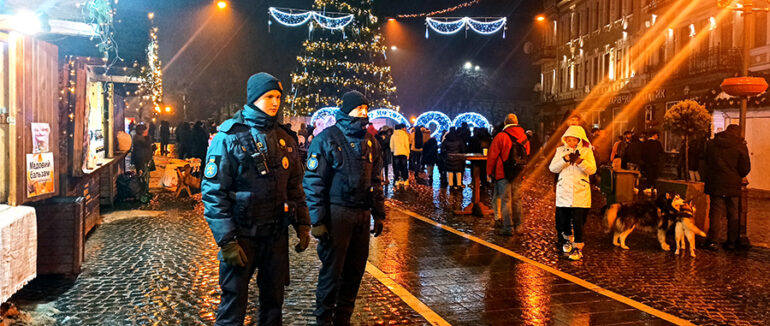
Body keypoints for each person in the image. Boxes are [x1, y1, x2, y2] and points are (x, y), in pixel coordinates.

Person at [201, 73, 311, 325]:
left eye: (278, 97)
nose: (275, 102)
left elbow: (295, 187)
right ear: (253, 98)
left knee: (273, 306)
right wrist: (227, 240)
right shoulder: (228, 137)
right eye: (268, 97)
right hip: (242, 237)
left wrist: (303, 224)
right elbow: (213, 192)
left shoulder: (286, 139)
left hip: (275, 237)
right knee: (232, 308)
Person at [303, 90, 385, 325]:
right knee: (332, 273)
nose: (364, 113)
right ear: (346, 109)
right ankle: (324, 320)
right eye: (359, 108)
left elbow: (376, 180)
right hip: (337, 214)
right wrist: (317, 220)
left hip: (362, 214)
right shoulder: (327, 138)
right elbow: (313, 180)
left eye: (366, 109)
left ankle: (343, 320)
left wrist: (378, 213)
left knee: (355, 272)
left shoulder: (371, 141)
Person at [549, 125, 596, 261]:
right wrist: (565, 160)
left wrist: (580, 161)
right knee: (563, 220)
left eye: (574, 140)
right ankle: (567, 239)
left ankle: (578, 247)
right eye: (569, 140)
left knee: (578, 221)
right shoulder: (560, 151)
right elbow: (553, 168)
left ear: (579, 140)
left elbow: (592, 169)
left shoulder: (587, 151)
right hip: (564, 191)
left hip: (580, 191)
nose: (571, 143)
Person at [702, 124, 751, 251]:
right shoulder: (740, 146)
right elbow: (745, 168)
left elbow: (706, 161)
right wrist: (737, 174)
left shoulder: (712, 144)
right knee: (733, 213)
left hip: (716, 182)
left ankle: (713, 241)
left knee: (715, 212)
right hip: (732, 183)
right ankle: (732, 242)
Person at [486, 114, 530, 236]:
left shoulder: (501, 136)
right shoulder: (524, 136)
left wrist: (489, 172)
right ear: (517, 122)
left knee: (505, 200)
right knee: (517, 199)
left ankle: (508, 228)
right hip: (517, 172)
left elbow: (492, 155)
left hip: (502, 172)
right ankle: (519, 226)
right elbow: (527, 154)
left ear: (505, 123)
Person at [131, 124, 154, 193]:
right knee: (142, 173)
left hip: (143, 158)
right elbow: (145, 145)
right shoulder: (139, 138)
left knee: (143, 173)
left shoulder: (138, 137)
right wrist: (147, 138)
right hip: (141, 158)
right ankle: (142, 188)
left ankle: (143, 188)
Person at [390, 124, 410, 188]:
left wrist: (393, 151)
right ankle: (405, 180)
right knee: (404, 167)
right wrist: (408, 153)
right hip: (403, 153)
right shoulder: (404, 135)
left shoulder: (393, 135)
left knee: (396, 167)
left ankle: (397, 180)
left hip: (396, 153)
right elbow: (406, 144)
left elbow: (391, 145)